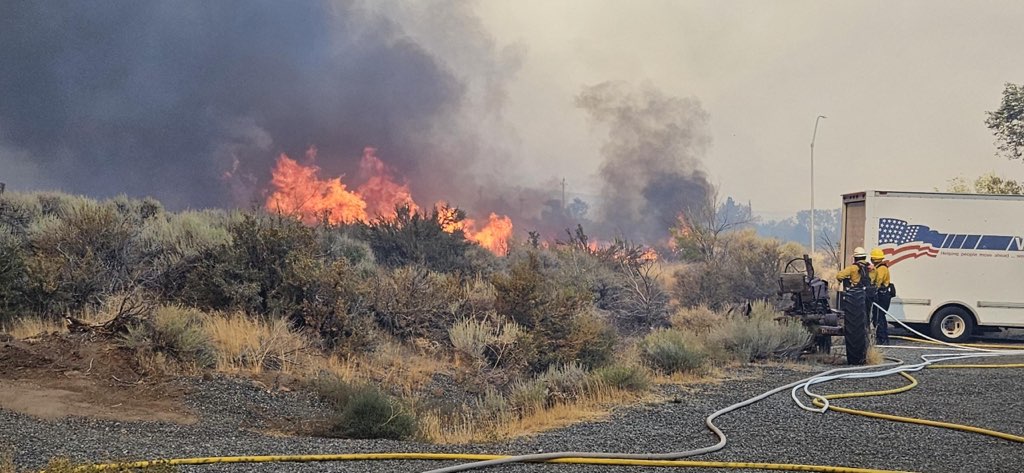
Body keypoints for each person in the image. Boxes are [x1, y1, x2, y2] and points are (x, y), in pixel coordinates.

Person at [869, 247, 893, 344]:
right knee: (878, 317)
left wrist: (873, 288)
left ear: (874, 259)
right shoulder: (878, 267)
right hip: (881, 295)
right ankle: (881, 338)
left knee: (879, 317)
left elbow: (878, 281)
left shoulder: (882, 268)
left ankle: (882, 340)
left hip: (882, 296)